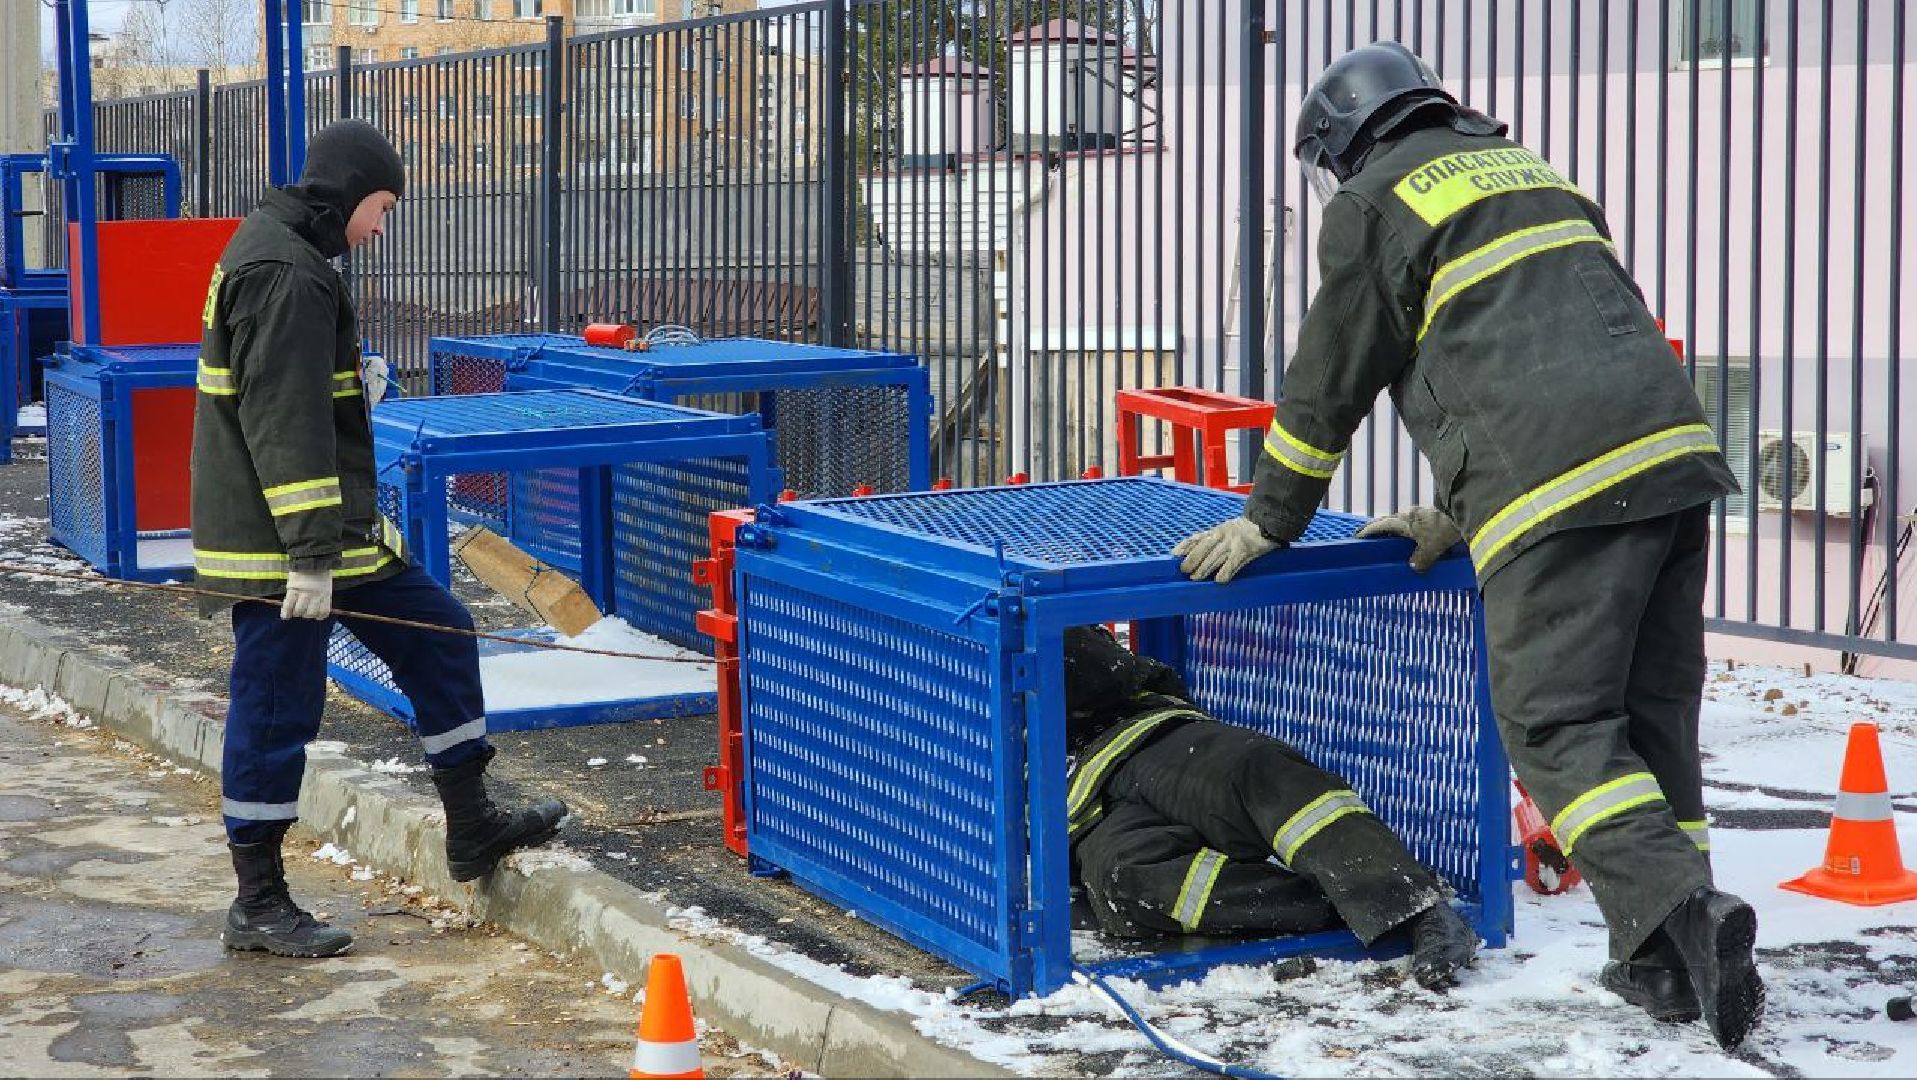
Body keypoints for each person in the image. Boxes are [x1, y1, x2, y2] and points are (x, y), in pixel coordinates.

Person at [1171, 43, 1763, 1048]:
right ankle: (1669, 960)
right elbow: (1527, 342)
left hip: (1561, 488)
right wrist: (1455, 508)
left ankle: (1687, 914)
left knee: (1553, 719)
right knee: (1650, 710)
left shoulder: (1373, 202)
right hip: (1672, 456)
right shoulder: (1533, 175)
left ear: (1348, 142)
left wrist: (1270, 516)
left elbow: (1328, 383)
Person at [191, 120, 568, 958]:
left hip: (327, 531)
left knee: (441, 633)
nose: (382, 226)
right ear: (348, 192)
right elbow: (283, 425)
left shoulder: (292, 253)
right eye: (382, 206)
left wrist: (352, 383)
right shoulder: (285, 272)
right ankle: (257, 903)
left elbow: (297, 393)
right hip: (286, 547)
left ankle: (472, 827)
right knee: (277, 705)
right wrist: (312, 558)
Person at [1062, 626, 1479, 990]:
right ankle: (1333, 907)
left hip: (1137, 739)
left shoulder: (1020, 631)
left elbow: (1103, 668)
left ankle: (1409, 902)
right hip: (1074, 813)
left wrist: (1047, 648)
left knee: (1255, 770)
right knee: (1125, 882)